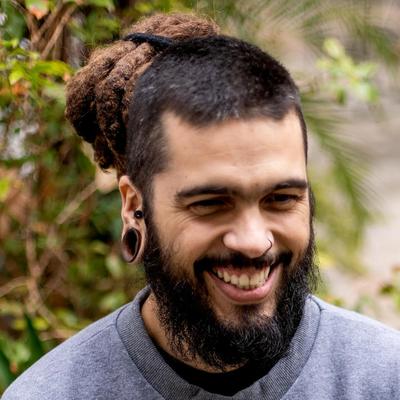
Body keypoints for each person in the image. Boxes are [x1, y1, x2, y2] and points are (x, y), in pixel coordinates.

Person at [3, 12, 400, 400]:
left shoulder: (385, 378)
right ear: (134, 206)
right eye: (211, 203)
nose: (254, 242)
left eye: (281, 199)